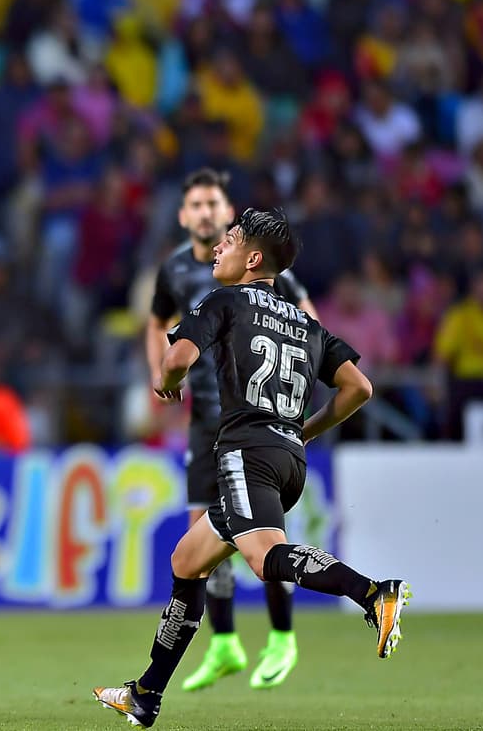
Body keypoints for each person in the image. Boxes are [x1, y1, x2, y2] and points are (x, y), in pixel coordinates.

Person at [96, 209, 410, 729]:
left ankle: (373, 593)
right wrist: (303, 430)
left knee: (263, 560)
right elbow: (360, 388)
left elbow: (176, 359)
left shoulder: (223, 301)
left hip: (245, 451)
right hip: (289, 457)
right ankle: (146, 694)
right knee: (187, 560)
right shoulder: (307, 323)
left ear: (253, 260)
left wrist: (168, 382)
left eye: (231, 240)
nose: (219, 247)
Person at [145, 168, 317, 691]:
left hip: (256, 419)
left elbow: (309, 323)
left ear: (225, 214)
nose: (203, 213)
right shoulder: (173, 272)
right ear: (183, 216)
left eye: (212, 204)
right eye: (194, 204)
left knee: (260, 538)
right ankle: (223, 641)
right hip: (205, 420)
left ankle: (282, 636)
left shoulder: (256, 273)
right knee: (204, 532)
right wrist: (162, 377)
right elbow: (157, 326)